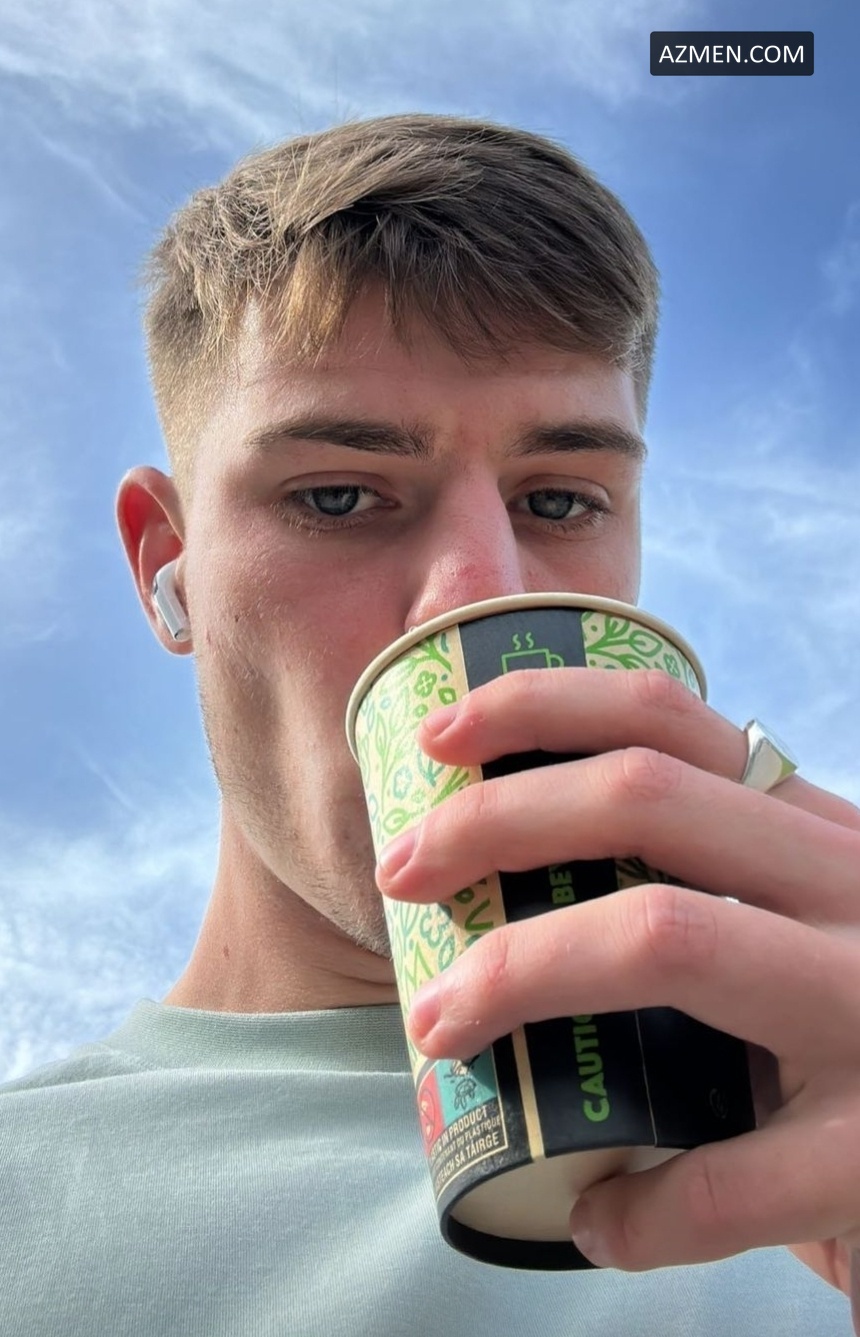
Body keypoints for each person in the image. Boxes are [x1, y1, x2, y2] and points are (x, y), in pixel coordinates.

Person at [1, 113, 858, 1336]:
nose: (477, 592)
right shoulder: (27, 1200)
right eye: (336, 494)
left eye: (558, 499)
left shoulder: (826, 1120)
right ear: (166, 567)